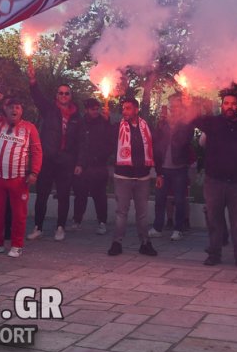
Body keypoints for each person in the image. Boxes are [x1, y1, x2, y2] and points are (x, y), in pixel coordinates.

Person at [190, 93, 237, 270]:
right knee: (214, 219)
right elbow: (194, 118)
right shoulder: (212, 123)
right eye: (226, 103)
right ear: (222, 105)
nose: (230, 106)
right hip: (214, 181)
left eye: (234, 104)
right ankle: (214, 254)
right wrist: (189, 99)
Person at [0, 92, 42, 258]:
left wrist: (34, 172)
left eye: (17, 107)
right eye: (11, 107)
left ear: (21, 111)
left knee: (19, 215)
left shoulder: (29, 128)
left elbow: (37, 151)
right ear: (5, 109)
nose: (14, 109)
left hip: (19, 180)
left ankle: (17, 245)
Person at [27, 68, 81, 241]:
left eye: (66, 93)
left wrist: (79, 162)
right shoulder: (49, 110)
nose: (63, 96)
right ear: (56, 95)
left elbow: (81, 142)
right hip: (48, 159)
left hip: (66, 161)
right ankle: (38, 227)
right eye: (61, 93)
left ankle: (60, 227)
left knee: (64, 195)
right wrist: (33, 81)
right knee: (42, 194)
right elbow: (37, 97)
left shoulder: (77, 117)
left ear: (70, 96)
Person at [110, 96, 160, 257]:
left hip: (143, 176)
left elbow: (156, 149)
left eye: (128, 108)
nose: (124, 111)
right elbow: (106, 139)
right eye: (123, 108)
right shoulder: (117, 127)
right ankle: (117, 243)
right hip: (123, 176)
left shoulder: (146, 126)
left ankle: (145, 243)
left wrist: (159, 173)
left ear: (136, 110)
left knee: (142, 213)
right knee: (121, 212)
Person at [152, 94, 196, 241]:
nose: (173, 110)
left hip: (179, 168)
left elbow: (185, 140)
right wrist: (160, 126)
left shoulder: (186, 124)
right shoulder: (163, 124)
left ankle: (178, 229)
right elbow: (156, 144)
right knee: (159, 199)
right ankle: (157, 227)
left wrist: (176, 125)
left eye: (176, 107)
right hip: (163, 168)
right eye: (171, 107)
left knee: (179, 200)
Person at [72, 98, 116, 235]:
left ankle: (102, 222)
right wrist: (78, 163)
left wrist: (102, 156)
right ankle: (77, 221)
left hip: (99, 166)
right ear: (86, 109)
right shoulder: (80, 123)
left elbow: (110, 142)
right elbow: (77, 144)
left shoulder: (104, 122)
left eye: (97, 109)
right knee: (80, 195)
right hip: (84, 166)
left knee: (100, 196)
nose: (95, 111)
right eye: (93, 109)